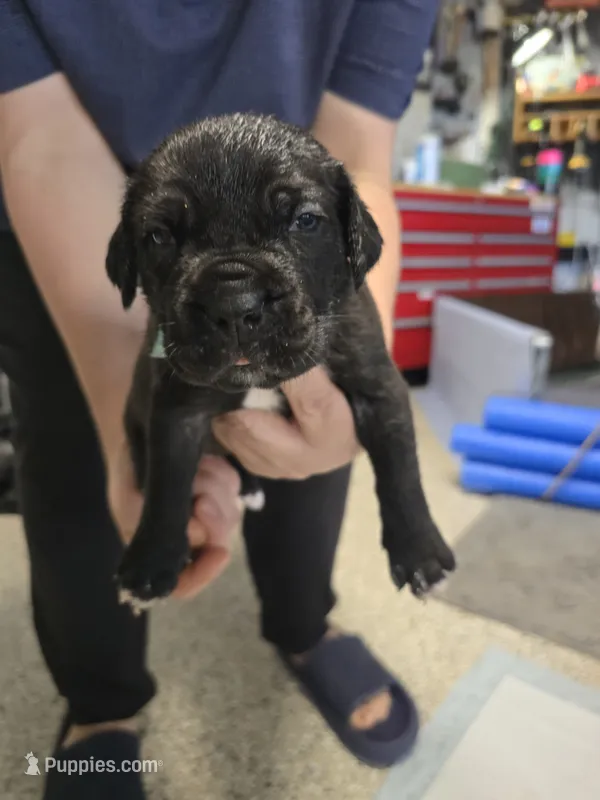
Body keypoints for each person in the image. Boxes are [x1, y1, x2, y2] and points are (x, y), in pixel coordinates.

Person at [0, 2, 439, 797]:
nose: (237, 304)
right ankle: (101, 703)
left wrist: (354, 394)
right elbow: (39, 142)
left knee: (314, 463)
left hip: (300, 166)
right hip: (62, 195)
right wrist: (122, 410)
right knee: (76, 461)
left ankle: (303, 624)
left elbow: (358, 154)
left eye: (304, 222)